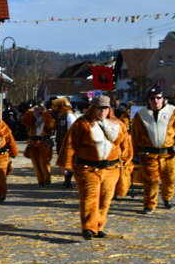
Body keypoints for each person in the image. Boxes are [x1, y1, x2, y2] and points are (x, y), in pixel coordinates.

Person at [56, 96, 132, 239]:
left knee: (105, 200)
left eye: (104, 108)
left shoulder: (118, 124)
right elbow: (70, 144)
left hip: (111, 169)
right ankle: (89, 228)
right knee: (90, 198)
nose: (102, 111)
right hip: (87, 168)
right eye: (98, 108)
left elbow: (126, 146)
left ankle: (98, 226)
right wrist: (66, 164)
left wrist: (127, 164)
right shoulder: (81, 124)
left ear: (109, 109)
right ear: (93, 108)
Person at [131, 87, 175, 213]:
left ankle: (167, 197)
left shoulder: (173, 111)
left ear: (163, 98)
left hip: (168, 154)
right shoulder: (141, 114)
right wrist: (134, 152)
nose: (155, 100)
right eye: (152, 98)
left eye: (158, 97)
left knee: (170, 178)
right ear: (148, 99)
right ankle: (149, 204)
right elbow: (135, 135)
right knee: (150, 181)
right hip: (148, 154)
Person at [22, 103, 56, 186]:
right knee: (36, 164)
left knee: (44, 162)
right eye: (36, 109)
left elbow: (51, 125)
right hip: (33, 143)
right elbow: (25, 121)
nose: (37, 110)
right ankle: (40, 181)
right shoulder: (33, 118)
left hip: (44, 143)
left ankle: (47, 180)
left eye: (39, 109)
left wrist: (45, 112)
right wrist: (29, 111)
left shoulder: (47, 117)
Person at [52, 97, 79, 188]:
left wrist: (70, 142)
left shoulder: (69, 115)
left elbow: (72, 129)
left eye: (57, 106)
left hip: (67, 142)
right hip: (60, 141)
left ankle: (68, 180)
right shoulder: (60, 116)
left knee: (68, 162)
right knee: (62, 162)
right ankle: (66, 179)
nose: (55, 108)